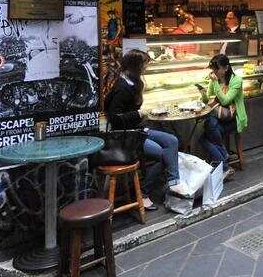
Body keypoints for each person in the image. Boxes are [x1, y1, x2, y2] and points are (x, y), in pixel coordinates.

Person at [105, 50, 187, 209]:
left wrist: (140, 115)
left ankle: (174, 182)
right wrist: (138, 113)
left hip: (138, 130)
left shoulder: (132, 82)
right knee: (162, 154)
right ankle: (144, 193)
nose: (146, 67)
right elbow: (114, 118)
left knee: (172, 140)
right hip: (126, 136)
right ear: (135, 65)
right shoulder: (122, 87)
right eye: (144, 64)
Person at [198, 54, 247, 182]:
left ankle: (223, 160)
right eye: (213, 69)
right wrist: (203, 94)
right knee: (210, 125)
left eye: (216, 69)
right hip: (219, 116)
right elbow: (208, 100)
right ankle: (224, 159)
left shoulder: (236, 81)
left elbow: (225, 101)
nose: (214, 72)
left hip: (234, 118)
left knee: (205, 135)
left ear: (226, 68)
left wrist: (215, 82)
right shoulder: (215, 80)